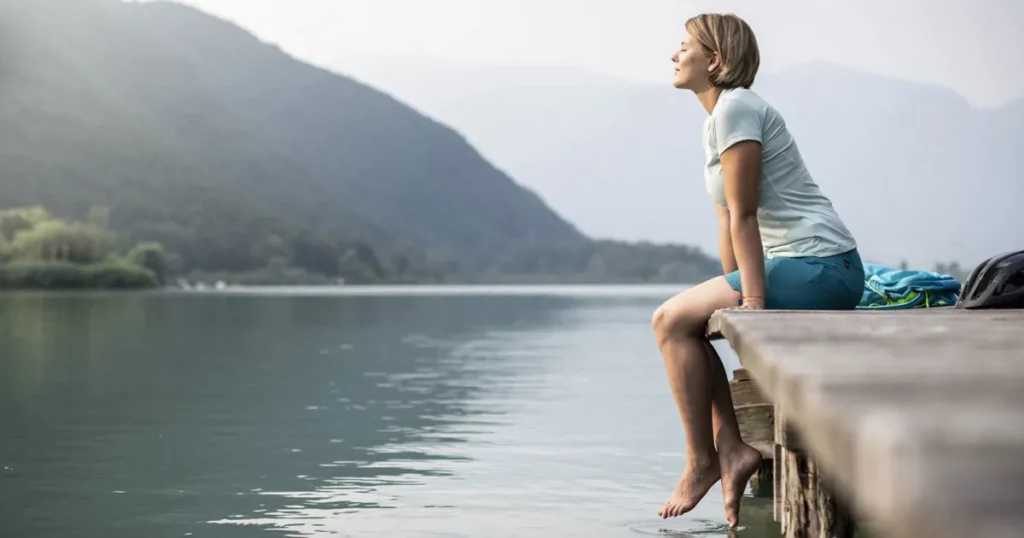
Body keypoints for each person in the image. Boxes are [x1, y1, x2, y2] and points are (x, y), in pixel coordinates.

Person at [654, 13, 864, 526]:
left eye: (685, 47)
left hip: (822, 265)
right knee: (687, 324)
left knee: (667, 320)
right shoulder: (717, 119)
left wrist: (751, 304)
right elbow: (727, 222)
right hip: (790, 264)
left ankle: (705, 459)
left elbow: (746, 214)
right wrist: (728, 302)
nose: (674, 55)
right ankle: (730, 450)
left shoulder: (737, 109)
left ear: (716, 60)